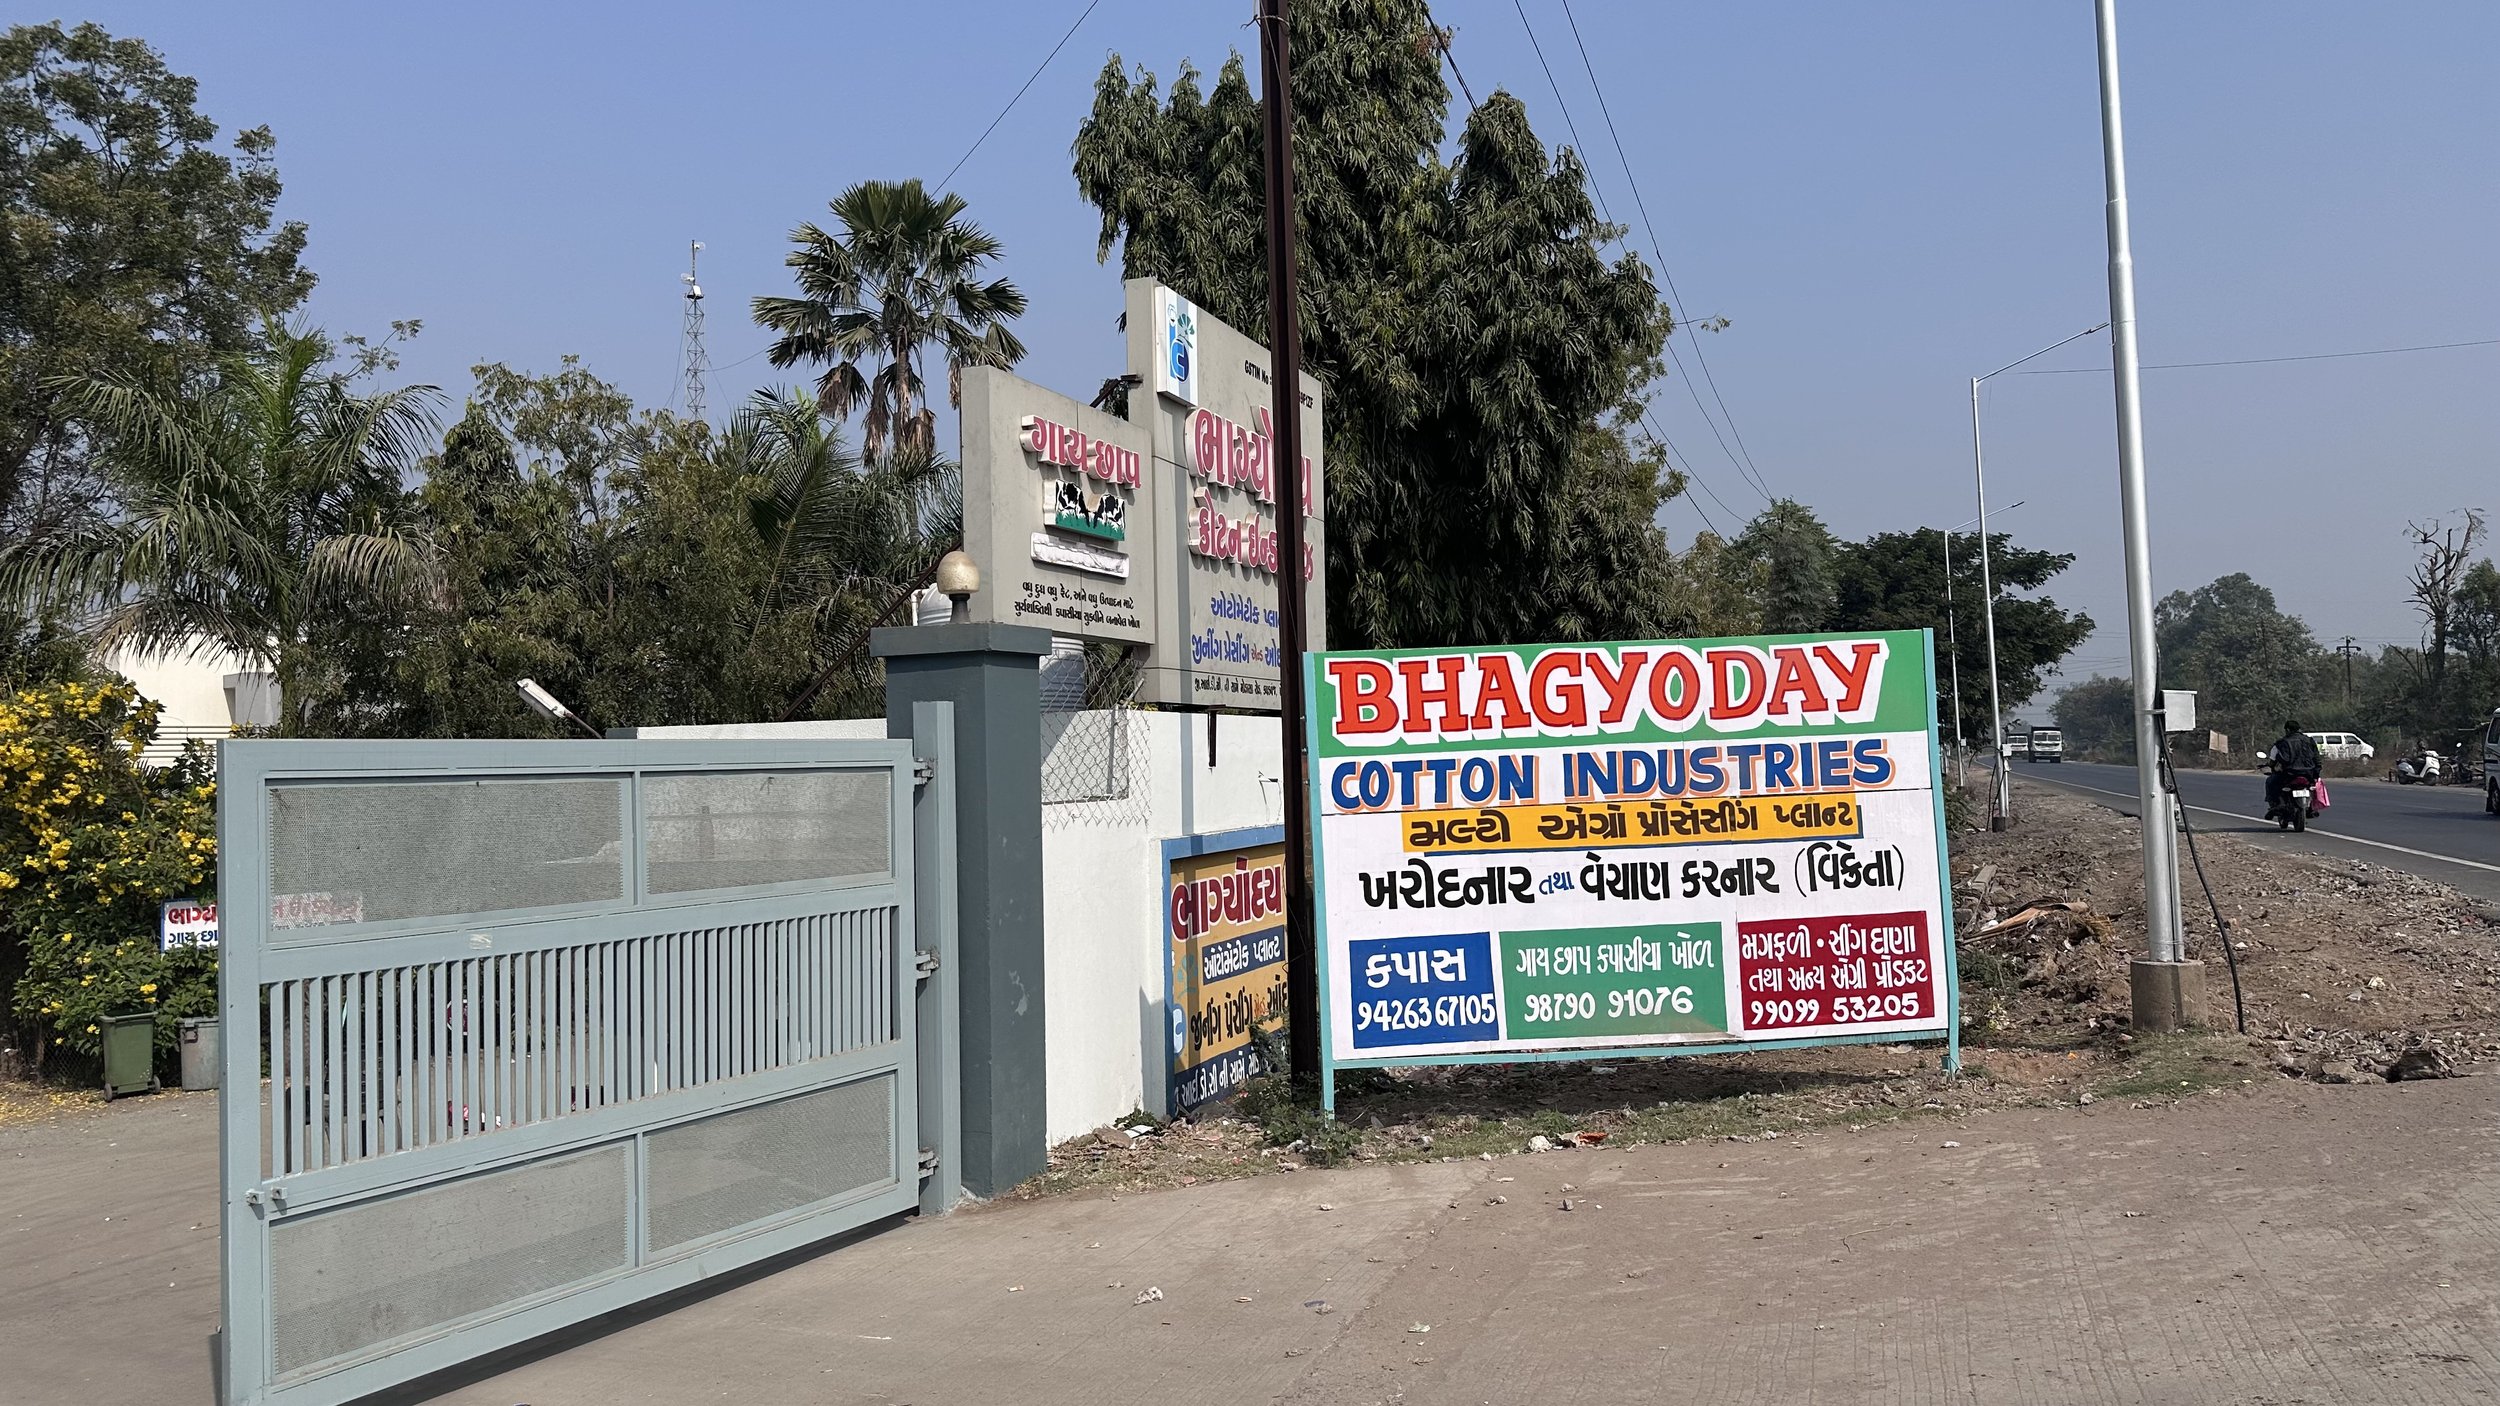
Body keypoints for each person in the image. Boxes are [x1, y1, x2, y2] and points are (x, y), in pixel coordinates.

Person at [2266, 720, 2321, 817]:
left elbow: (2273, 760)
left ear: (2287, 730)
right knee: (2315, 786)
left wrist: (2271, 765)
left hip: (2289, 774)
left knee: (2270, 782)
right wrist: (2316, 772)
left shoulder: (2281, 743)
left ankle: (2275, 805)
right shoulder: (2309, 741)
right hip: (2308, 774)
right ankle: (2312, 807)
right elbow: (2317, 758)